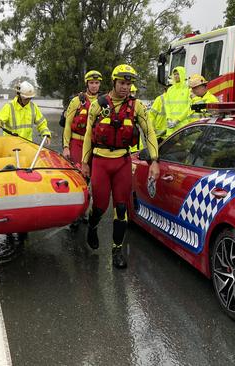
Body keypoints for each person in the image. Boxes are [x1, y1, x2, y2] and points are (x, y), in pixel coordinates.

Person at [80, 64, 160, 269]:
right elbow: (89, 135)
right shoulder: (98, 105)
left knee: (122, 208)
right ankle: (92, 225)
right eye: (122, 83)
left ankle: (117, 250)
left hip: (122, 162)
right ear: (114, 82)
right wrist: (84, 163)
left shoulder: (137, 107)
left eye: (128, 84)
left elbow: (149, 132)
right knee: (99, 206)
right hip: (100, 162)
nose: (125, 87)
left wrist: (154, 160)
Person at [62, 70, 103, 166]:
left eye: (96, 83)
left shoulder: (103, 101)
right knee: (78, 171)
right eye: (91, 83)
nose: (94, 86)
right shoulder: (76, 101)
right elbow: (67, 125)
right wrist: (66, 147)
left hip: (95, 145)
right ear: (87, 84)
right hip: (77, 142)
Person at [164, 66, 191, 137]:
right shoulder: (170, 90)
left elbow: (188, 107)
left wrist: (177, 120)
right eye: (174, 74)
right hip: (170, 126)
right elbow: (167, 105)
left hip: (182, 125)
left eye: (178, 74)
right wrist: (169, 119)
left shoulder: (188, 89)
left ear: (182, 74)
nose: (176, 76)